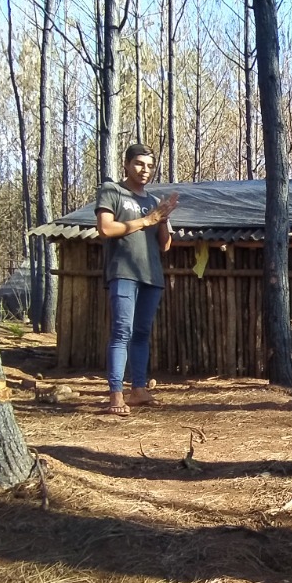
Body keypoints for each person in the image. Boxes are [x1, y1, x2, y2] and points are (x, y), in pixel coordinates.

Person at [95, 143, 179, 416]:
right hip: (123, 272)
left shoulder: (153, 202)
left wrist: (163, 218)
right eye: (140, 164)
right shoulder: (112, 191)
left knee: (142, 334)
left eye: (150, 166)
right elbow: (106, 229)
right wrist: (146, 220)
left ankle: (139, 389)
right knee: (122, 332)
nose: (145, 170)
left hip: (151, 275)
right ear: (127, 165)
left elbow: (165, 246)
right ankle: (115, 394)